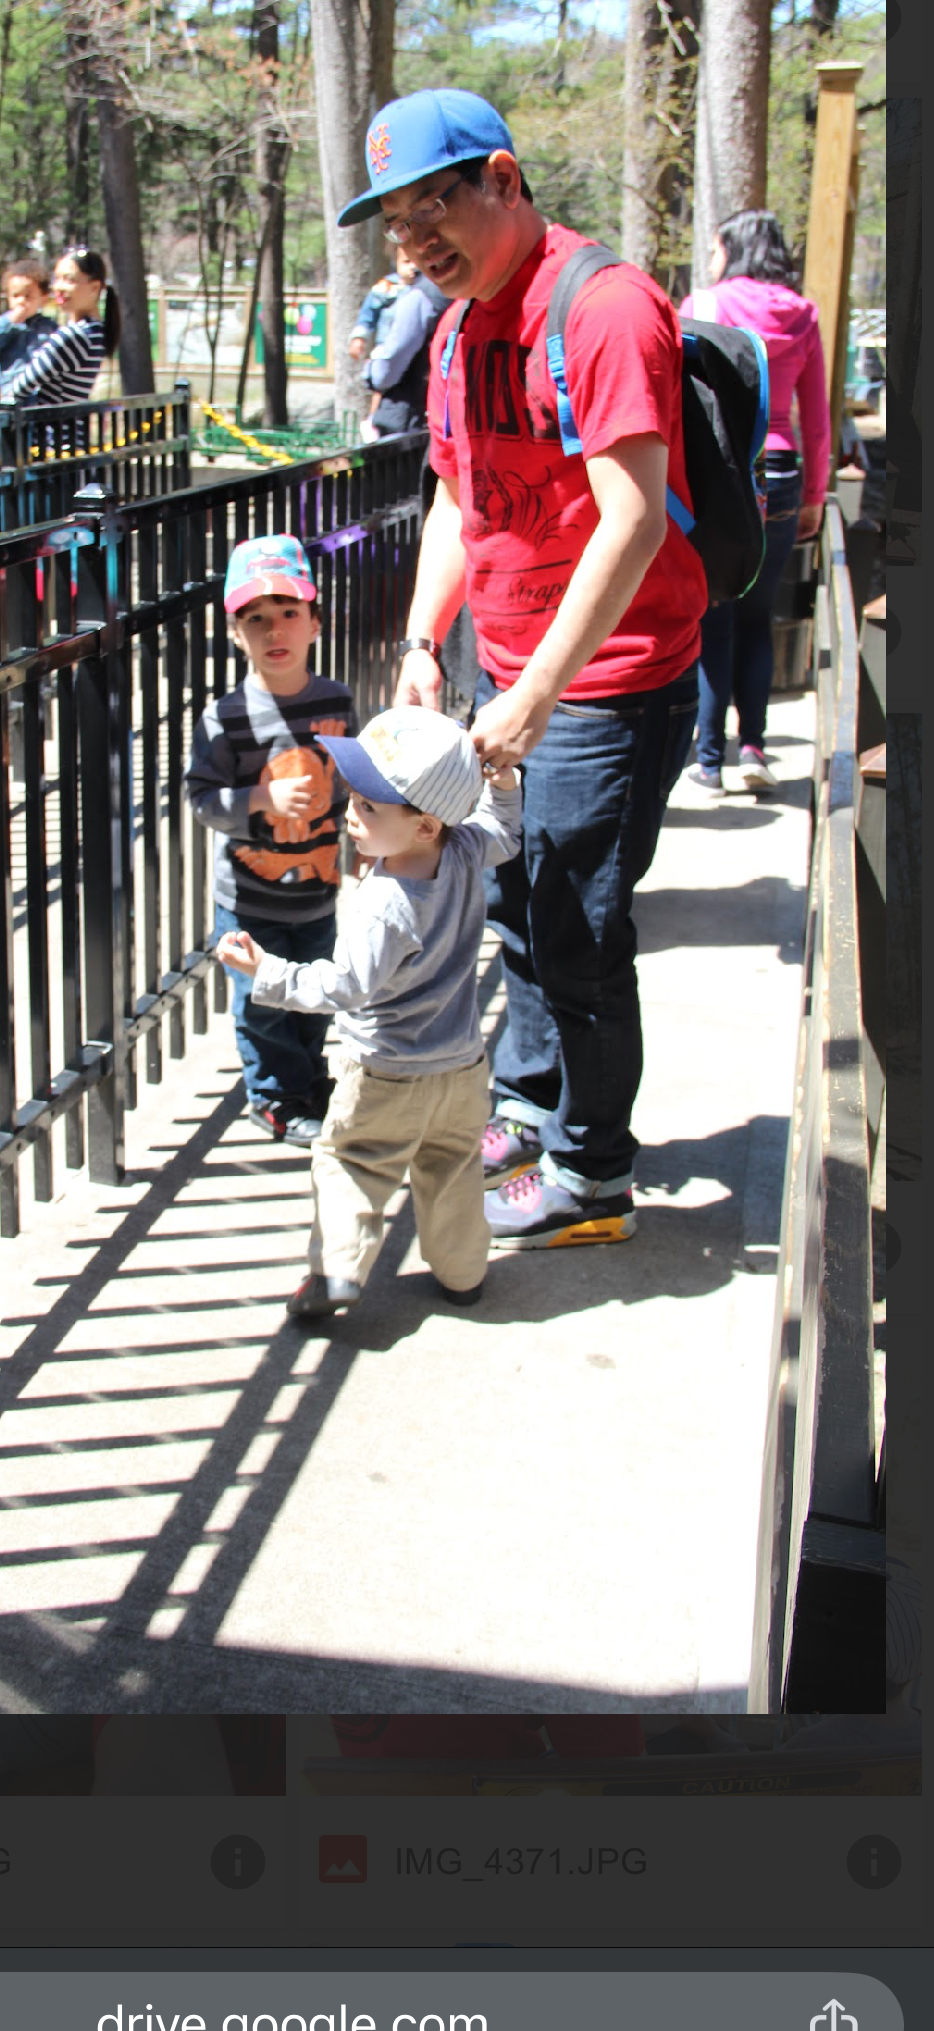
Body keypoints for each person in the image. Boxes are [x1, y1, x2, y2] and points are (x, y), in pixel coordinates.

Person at [339, 86, 704, 1247]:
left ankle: (593, 1175)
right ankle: (534, 1109)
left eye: (432, 208)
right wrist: (421, 642)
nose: (416, 241)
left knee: (578, 928)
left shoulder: (603, 307)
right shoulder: (456, 328)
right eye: (397, 223)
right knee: (518, 908)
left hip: (609, 682)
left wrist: (539, 692)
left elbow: (632, 518)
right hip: (506, 675)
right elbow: (457, 495)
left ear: (502, 178)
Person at [218, 708, 521, 1318]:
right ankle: (463, 1273)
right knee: (453, 1169)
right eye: (353, 799)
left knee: (350, 1164)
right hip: (462, 1066)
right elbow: (503, 831)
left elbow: (344, 987)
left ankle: (338, 1272)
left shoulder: (386, 901)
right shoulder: (464, 850)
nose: (350, 815)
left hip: (385, 1071)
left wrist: (265, 971)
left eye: (368, 808)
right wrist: (506, 786)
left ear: (425, 825)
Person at [187, 534, 357, 1144]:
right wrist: (259, 800)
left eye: (288, 611)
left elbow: (351, 782)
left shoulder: (336, 700)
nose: (274, 629)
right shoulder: (224, 718)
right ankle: (275, 1098)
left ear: (316, 622)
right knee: (263, 1005)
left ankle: (308, 1081)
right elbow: (202, 798)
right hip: (250, 900)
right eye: (255, 618)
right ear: (236, 634)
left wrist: (363, 846)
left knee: (312, 995)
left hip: (317, 890)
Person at [680, 210, 831, 794]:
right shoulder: (803, 314)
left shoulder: (705, 304)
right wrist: (814, 495)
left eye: (717, 246)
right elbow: (814, 417)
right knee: (757, 617)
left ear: (732, 248)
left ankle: (709, 762)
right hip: (783, 474)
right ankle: (754, 749)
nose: (712, 256)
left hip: (724, 473)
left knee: (714, 614)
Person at [0, 244, 119, 406]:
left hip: (51, 422)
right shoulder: (96, 331)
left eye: (69, 280)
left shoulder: (73, 335)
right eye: (56, 278)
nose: (58, 287)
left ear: (94, 287)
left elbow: (20, 387)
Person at [359, 247, 449, 439]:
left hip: (409, 412)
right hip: (441, 411)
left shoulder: (421, 297)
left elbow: (391, 362)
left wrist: (372, 371)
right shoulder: (460, 294)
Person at [0, 251, 56, 387]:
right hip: (12, 387)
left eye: (28, 296)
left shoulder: (49, 327)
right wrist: (10, 323)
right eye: (15, 296)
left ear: (43, 298)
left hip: (41, 388)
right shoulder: (1, 323)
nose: (21, 301)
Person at [348, 268, 403, 361]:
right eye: (407, 262)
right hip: (385, 349)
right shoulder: (387, 286)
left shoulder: (425, 285)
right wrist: (359, 338)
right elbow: (367, 315)